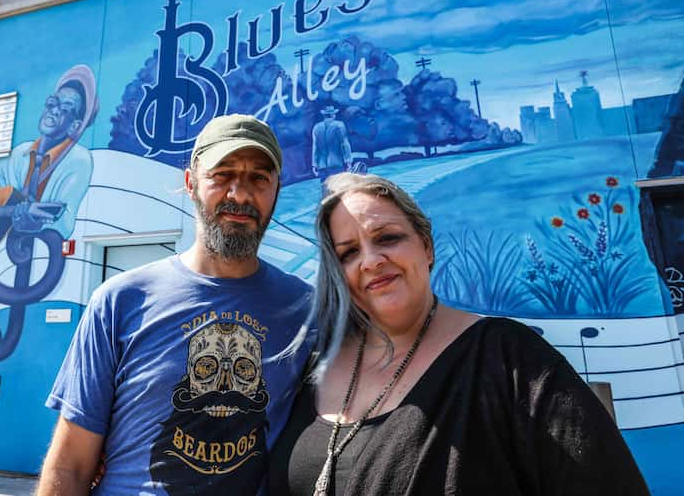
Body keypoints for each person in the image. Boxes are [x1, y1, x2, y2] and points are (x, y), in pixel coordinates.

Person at [268, 172, 650, 495]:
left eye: (387, 238)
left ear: (427, 246)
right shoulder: (314, 368)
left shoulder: (509, 360)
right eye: (348, 253)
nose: (371, 261)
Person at [38, 114, 313, 495]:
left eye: (259, 178)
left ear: (276, 190)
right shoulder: (119, 301)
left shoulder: (306, 310)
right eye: (222, 175)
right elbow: (71, 463)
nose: (240, 194)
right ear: (190, 183)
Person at [0, 64, 96, 239]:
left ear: (75, 126)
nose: (54, 111)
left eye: (64, 109)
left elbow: (66, 222)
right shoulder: (21, 152)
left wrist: (35, 225)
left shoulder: (79, 160)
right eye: (52, 103)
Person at [311, 106, 352, 186]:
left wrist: (314, 164)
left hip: (322, 165)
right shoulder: (339, 125)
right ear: (333, 115)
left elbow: (315, 148)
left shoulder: (316, 128)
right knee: (339, 188)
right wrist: (348, 160)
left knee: (326, 189)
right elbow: (344, 144)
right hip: (336, 164)